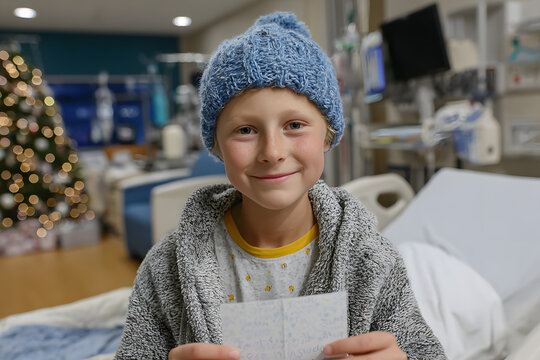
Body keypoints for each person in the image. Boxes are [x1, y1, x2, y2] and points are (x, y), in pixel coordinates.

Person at [115, 12, 446, 360]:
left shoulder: (371, 261)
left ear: (327, 134)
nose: (272, 152)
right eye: (245, 130)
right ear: (217, 145)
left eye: (294, 125)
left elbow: (424, 351)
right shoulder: (166, 267)